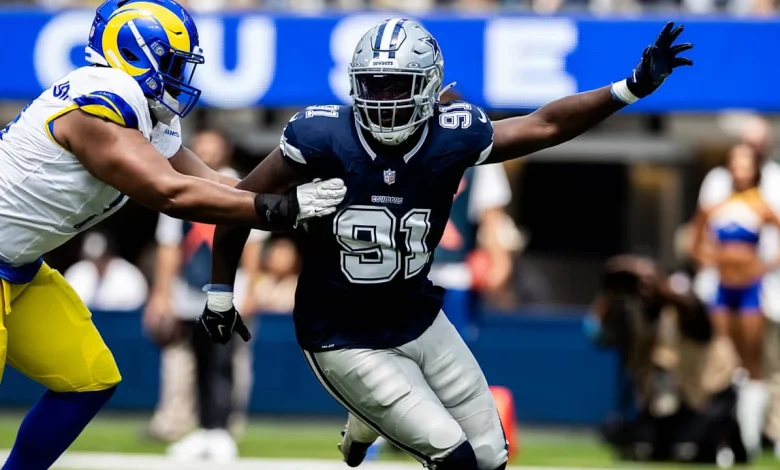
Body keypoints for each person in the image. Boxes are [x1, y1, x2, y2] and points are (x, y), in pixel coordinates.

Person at [203, 18, 693, 470]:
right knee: (454, 458)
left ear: (430, 86)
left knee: (490, 458)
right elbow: (238, 204)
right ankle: (368, 412)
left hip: (416, 314)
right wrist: (220, 294)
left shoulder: (452, 134)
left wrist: (629, 87)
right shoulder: (320, 135)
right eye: (375, 85)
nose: (385, 100)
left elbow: (544, 124)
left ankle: (366, 417)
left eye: (399, 86)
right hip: (341, 331)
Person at [0, 0, 345, 468]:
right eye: (173, 62)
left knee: (87, 380)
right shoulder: (101, 100)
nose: (180, 75)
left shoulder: (143, 112)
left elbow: (221, 186)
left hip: (19, 267)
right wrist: (284, 209)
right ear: (132, 53)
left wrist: (299, 188)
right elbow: (171, 193)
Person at [144, 129, 263, 461]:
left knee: (224, 362)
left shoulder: (241, 183)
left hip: (230, 289)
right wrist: (162, 293)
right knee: (198, 360)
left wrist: (252, 290)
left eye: (214, 148)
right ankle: (205, 428)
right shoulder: (178, 183)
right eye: (203, 148)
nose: (208, 153)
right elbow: (169, 245)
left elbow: (252, 245)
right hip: (190, 290)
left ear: (225, 149)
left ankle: (221, 430)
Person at [588, 255, 744, 465]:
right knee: (642, 444)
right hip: (671, 400)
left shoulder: (684, 303)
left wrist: (655, 280)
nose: (644, 287)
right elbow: (602, 338)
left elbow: (697, 319)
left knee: (691, 448)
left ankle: (729, 435)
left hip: (709, 392)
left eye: (648, 281)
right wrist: (607, 291)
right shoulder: (634, 312)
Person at [691, 143, 780, 459]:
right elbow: (695, 240)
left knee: (751, 361)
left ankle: (750, 438)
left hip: (750, 290)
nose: (740, 169)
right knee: (723, 360)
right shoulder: (717, 206)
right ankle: (723, 436)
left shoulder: (761, 207)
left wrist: (765, 265)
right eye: (735, 162)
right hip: (722, 289)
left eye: (746, 163)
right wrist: (708, 259)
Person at [64, 229, 148, 311]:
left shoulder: (128, 274)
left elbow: (136, 304)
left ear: (109, 254)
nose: (97, 263)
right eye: (92, 259)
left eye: (101, 258)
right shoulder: (76, 272)